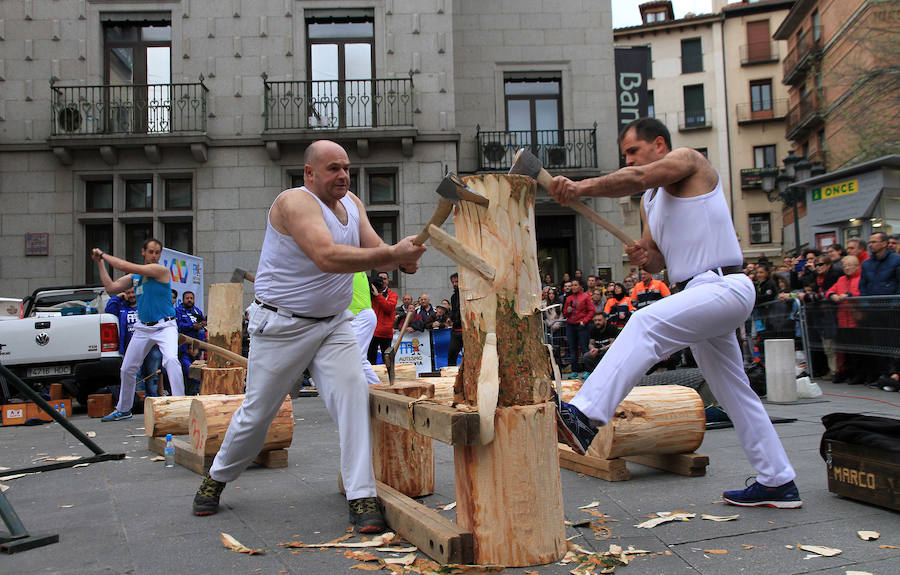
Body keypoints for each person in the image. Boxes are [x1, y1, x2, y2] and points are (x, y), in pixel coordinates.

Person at [549, 117, 801, 508]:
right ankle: (777, 480)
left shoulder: (689, 161)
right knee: (734, 392)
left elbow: (636, 177)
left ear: (659, 145)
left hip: (725, 285)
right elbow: (658, 261)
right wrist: (644, 256)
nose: (629, 160)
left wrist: (580, 187)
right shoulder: (650, 202)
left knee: (644, 322)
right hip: (697, 294)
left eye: (633, 151)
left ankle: (585, 415)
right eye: (625, 155)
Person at [191, 140, 425, 533]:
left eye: (346, 168)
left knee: (353, 397)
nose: (343, 176)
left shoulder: (352, 204)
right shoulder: (293, 203)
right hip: (281, 327)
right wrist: (393, 255)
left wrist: (402, 257)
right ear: (309, 173)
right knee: (257, 416)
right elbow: (326, 256)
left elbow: (376, 248)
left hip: (333, 324)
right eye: (333, 168)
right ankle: (217, 476)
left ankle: (361, 494)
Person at [92, 238, 185, 421]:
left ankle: (182, 405)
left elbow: (126, 266)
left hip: (165, 326)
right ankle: (124, 409)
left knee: (171, 360)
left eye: (157, 252)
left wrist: (103, 255)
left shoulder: (160, 270)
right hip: (143, 328)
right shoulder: (135, 278)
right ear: (143, 252)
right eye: (150, 252)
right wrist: (100, 263)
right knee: (127, 368)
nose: (154, 256)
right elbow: (111, 287)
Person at [858, 232, 900, 386]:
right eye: (870, 242)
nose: (871, 245)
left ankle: (895, 375)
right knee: (878, 343)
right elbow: (863, 286)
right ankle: (883, 375)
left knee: (893, 342)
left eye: (874, 242)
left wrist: (894, 304)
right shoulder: (866, 264)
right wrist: (866, 304)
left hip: (892, 309)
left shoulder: (896, 260)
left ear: (884, 243)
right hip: (874, 310)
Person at [826, 256, 864, 385]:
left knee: (858, 350)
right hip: (843, 319)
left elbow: (863, 293)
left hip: (857, 320)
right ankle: (847, 372)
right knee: (846, 350)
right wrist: (833, 296)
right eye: (844, 266)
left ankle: (859, 373)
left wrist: (850, 296)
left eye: (850, 265)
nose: (846, 268)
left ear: (857, 266)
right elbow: (829, 291)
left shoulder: (861, 278)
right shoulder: (841, 279)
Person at [349, 272, 379, 386]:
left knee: (356, 358)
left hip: (359, 316)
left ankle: (378, 389)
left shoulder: (349, 267)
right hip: (355, 316)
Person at [562, 279, 593, 377]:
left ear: (580, 286)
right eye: (572, 285)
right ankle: (574, 370)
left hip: (582, 325)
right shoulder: (569, 298)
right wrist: (567, 311)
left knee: (584, 348)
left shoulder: (586, 297)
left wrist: (584, 321)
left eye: (575, 285)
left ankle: (588, 370)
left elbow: (591, 311)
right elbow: (564, 313)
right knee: (572, 348)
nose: (573, 287)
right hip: (570, 325)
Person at [367, 271, 398, 366]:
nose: (382, 281)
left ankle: (389, 375)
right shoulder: (369, 293)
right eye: (380, 279)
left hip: (385, 332)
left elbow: (389, 308)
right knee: (370, 359)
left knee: (387, 360)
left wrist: (378, 295)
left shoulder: (392, 294)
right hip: (372, 331)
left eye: (384, 279)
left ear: (388, 280)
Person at [447, 273, 463, 366]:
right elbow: (454, 311)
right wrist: (450, 318)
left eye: (456, 281)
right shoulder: (453, 297)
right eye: (453, 282)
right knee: (452, 354)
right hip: (456, 330)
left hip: (466, 330)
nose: (454, 284)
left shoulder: (466, 295)